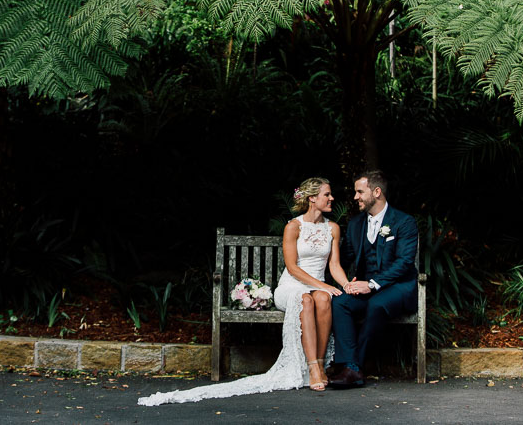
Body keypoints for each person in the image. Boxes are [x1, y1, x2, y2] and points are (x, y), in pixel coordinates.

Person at [138, 177, 347, 406]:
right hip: (293, 286)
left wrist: (344, 285)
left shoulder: (332, 228)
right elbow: (293, 268)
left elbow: (334, 266)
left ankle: (320, 360)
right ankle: (313, 368)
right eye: (327, 194)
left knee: (324, 300)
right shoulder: (293, 227)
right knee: (306, 300)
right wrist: (323, 285)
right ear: (312, 198)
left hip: (317, 285)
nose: (331, 198)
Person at [326, 170, 418, 388]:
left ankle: (353, 368)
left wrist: (371, 284)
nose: (355, 197)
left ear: (376, 192)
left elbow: (404, 262)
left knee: (376, 305)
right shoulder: (357, 224)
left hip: (398, 287)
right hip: (366, 286)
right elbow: (345, 257)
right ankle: (349, 364)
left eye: (360, 192)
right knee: (340, 303)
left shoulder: (404, 222)